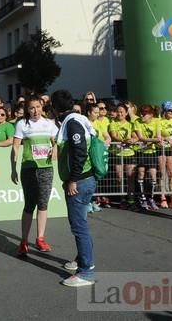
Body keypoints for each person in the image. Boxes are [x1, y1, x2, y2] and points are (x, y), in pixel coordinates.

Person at [53, 89, 97, 287]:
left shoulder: (72, 123)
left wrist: (72, 179)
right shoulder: (76, 120)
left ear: (56, 108)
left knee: (79, 227)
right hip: (85, 179)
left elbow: (79, 152)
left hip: (79, 181)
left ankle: (85, 271)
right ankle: (82, 260)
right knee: (81, 223)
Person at [11, 96, 57, 255]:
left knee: (43, 204)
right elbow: (15, 147)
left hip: (46, 168)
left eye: (38, 107)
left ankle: (40, 238)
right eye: (32, 107)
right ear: (27, 109)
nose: (35, 110)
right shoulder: (22, 124)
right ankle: (24, 240)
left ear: (42, 107)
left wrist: (55, 148)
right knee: (30, 204)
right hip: (29, 168)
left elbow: (56, 141)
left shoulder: (49, 124)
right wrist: (13, 168)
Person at [131, 105, 161, 211]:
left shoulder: (157, 121)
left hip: (151, 151)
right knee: (141, 173)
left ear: (150, 115)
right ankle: (142, 199)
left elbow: (159, 137)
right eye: (141, 113)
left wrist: (150, 141)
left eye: (144, 114)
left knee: (153, 175)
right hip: (141, 151)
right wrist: (152, 140)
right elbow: (140, 137)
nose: (141, 115)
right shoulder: (137, 122)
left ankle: (151, 199)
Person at [109, 103, 136, 208]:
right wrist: (124, 140)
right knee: (119, 177)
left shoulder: (130, 124)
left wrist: (133, 140)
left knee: (131, 177)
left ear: (126, 113)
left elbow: (135, 136)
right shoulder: (113, 124)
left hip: (129, 153)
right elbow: (114, 136)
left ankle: (131, 200)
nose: (120, 114)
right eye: (118, 111)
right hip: (117, 153)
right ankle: (122, 199)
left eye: (122, 112)